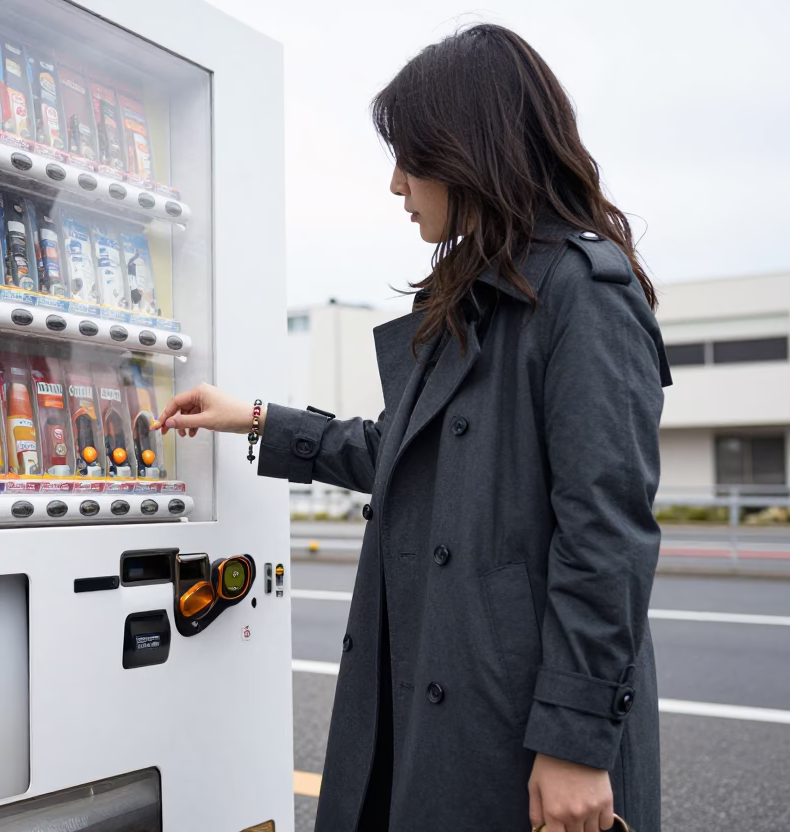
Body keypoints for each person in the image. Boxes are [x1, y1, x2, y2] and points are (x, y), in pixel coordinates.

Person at [160, 23, 671, 832]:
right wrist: (256, 419)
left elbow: (606, 534)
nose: (397, 183)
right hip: (437, 677)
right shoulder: (475, 293)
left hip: (517, 719)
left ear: (470, 151)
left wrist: (576, 741)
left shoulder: (584, 293)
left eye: (410, 157)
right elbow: (403, 455)